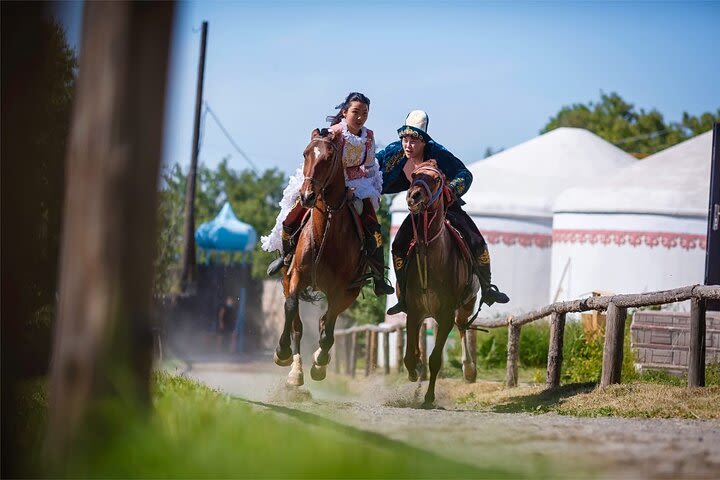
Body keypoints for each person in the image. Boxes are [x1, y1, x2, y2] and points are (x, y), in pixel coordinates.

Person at [376, 110, 509, 315]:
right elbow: (371, 165)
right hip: (418, 210)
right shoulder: (393, 152)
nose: (408, 145)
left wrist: (450, 191)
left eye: (413, 140)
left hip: (446, 205)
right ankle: (403, 297)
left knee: (476, 240)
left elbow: (465, 174)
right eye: (405, 139)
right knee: (398, 244)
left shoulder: (438, 153)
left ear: (423, 141)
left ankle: (487, 288)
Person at [261, 92, 394, 295]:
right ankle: (286, 256)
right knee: (292, 217)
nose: (360, 117)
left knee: (373, 227)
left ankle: (378, 276)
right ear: (344, 112)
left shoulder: (369, 136)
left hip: (358, 184)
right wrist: (335, 184)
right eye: (355, 112)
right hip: (325, 181)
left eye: (364, 113)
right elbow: (323, 161)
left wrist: (355, 188)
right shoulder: (334, 133)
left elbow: (367, 166)